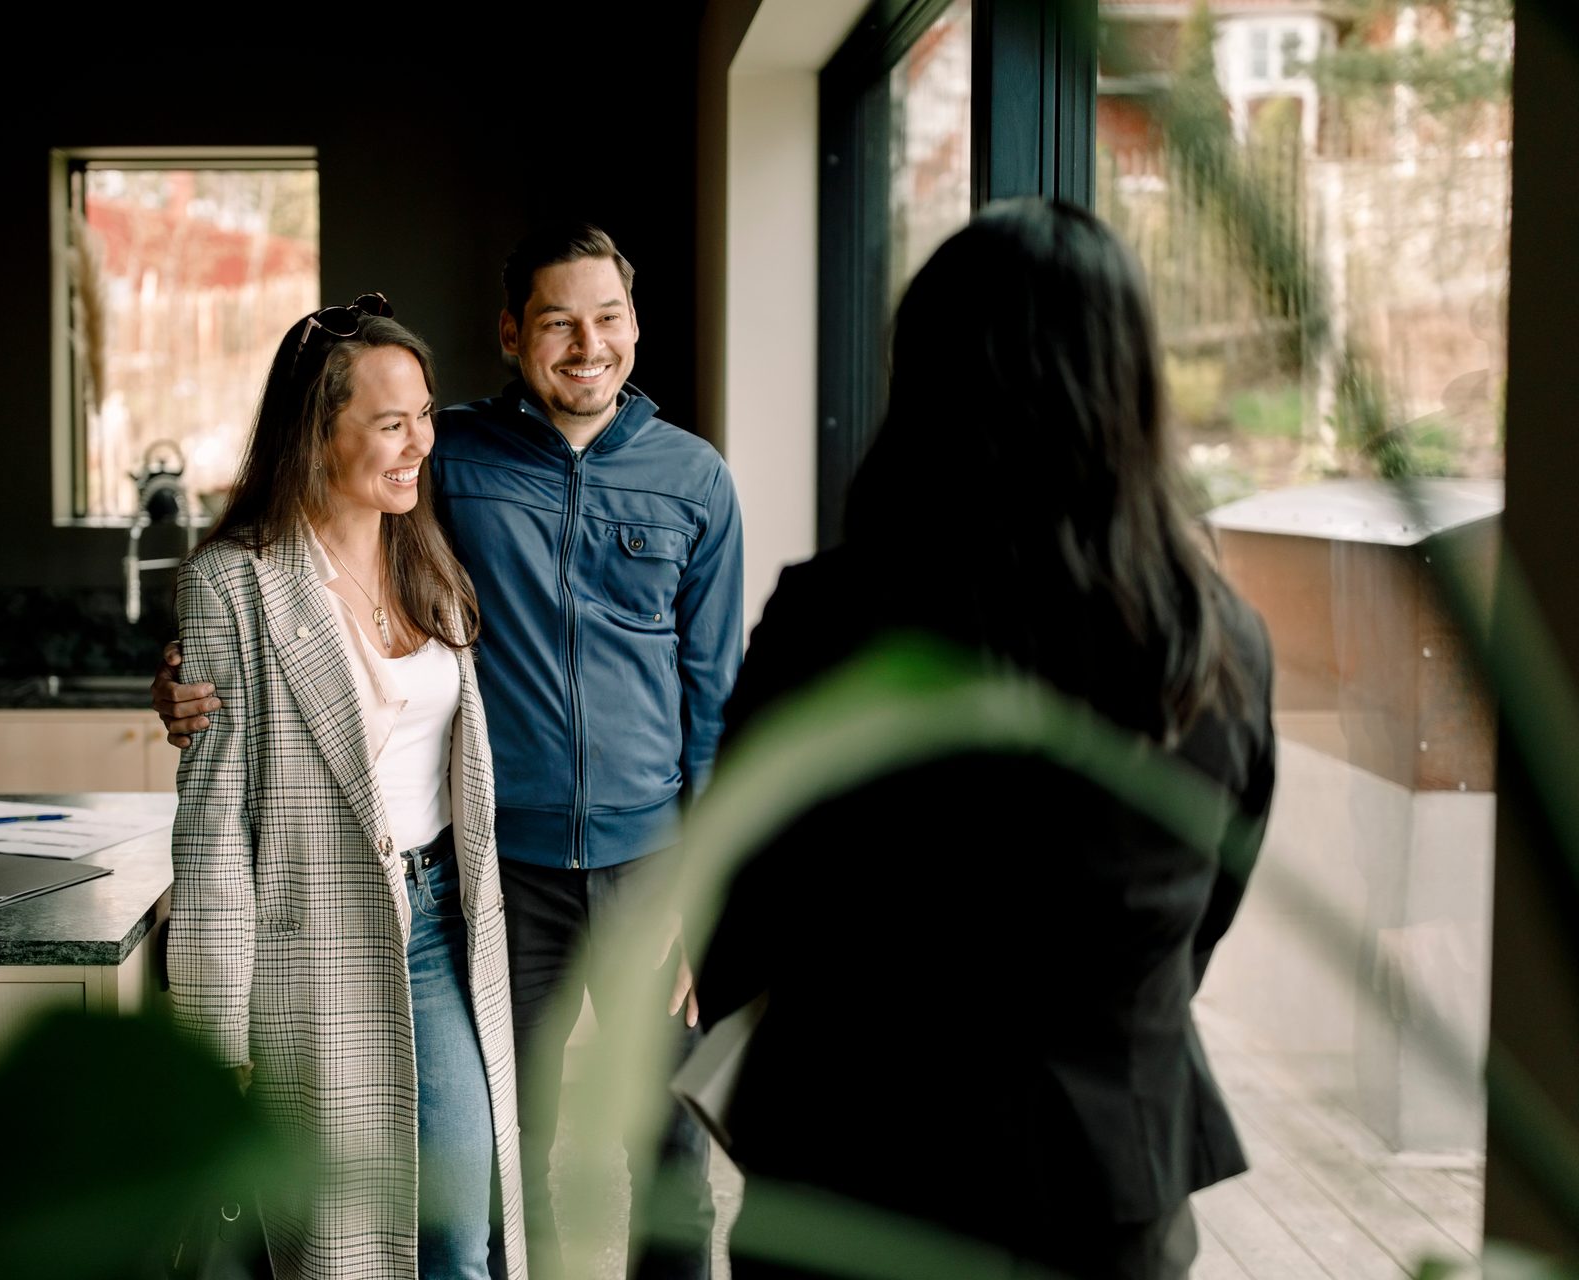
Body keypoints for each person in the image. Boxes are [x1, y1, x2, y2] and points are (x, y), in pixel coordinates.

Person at [696, 199, 1278, 1280]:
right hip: (1111, 1187)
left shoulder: (832, 619)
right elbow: (1205, 912)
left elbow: (737, 904)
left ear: (927, 380)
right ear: (1133, 384)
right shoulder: (1218, 641)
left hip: (853, 1179)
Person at [159, 224, 741, 1279]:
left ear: (636, 325)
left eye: (608, 317)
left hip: (643, 861)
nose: (586, 345)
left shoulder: (693, 480)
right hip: (499, 875)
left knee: (663, 1149)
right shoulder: (453, 462)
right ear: (512, 333)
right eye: (557, 321)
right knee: (514, 1165)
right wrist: (193, 681)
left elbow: (715, 706)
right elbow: (289, 573)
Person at [168, 294, 526, 1280]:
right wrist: (212, 1039)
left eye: (425, 414)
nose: (420, 442)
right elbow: (211, 834)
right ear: (317, 434)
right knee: (342, 1245)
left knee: (459, 1227)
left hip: (441, 919)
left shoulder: (431, 564)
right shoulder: (233, 585)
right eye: (389, 422)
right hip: (308, 941)